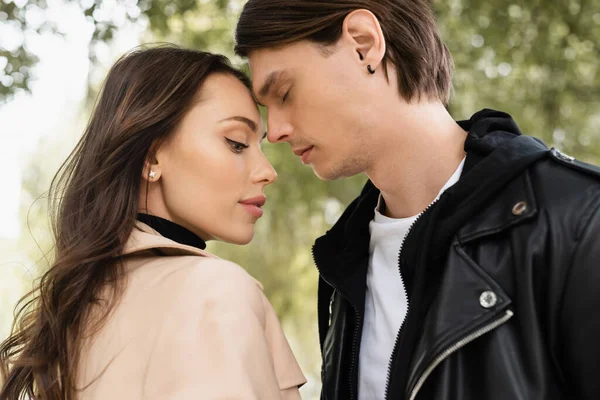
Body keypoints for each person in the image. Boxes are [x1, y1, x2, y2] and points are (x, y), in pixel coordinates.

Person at [234, 1, 600, 399]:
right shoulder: (344, 261)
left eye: (285, 93)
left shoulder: (578, 220)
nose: (275, 132)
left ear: (363, 44)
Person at [0, 45, 306, 400]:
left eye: (260, 145)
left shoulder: (70, 309)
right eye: (237, 143)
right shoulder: (215, 291)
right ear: (150, 157)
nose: (267, 171)